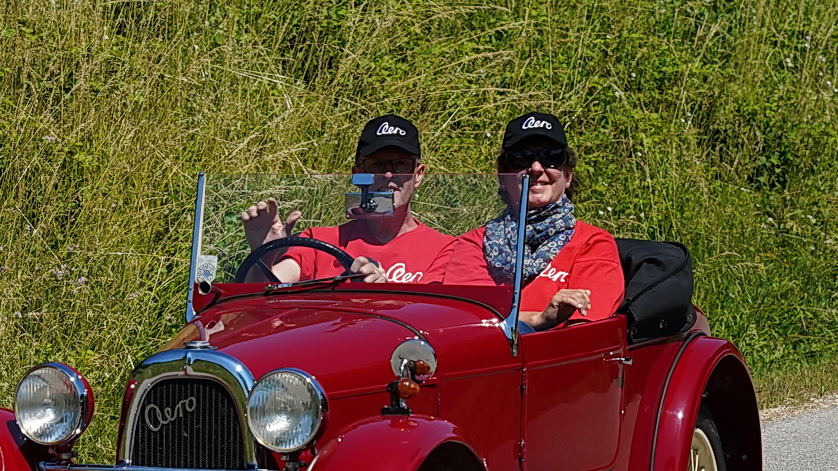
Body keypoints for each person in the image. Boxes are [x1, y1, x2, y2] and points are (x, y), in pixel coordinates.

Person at [441, 112, 624, 331]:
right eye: (522, 157)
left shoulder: (593, 243)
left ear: (568, 175)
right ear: (502, 175)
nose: (536, 168)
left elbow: (586, 330)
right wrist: (539, 318)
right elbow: (470, 319)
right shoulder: (474, 244)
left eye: (552, 156)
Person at [237, 116, 454, 284]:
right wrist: (263, 253)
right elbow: (262, 301)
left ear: (418, 175)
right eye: (376, 165)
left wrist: (387, 296)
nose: (388, 174)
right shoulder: (318, 241)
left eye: (401, 164)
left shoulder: (445, 250)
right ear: (357, 174)